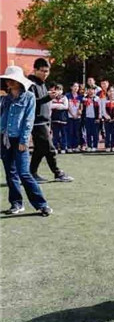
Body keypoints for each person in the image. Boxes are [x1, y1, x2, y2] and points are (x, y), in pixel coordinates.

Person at [0, 65, 52, 216]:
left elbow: (28, 120)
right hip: (4, 139)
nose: (9, 82)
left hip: (19, 139)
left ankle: (42, 205)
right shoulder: (5, 99)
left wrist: (24, 140)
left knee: (24, 173)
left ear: (20, 81)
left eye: (12, 79)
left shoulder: (28, 97)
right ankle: (16, 204)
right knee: (10, 174)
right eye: (8, 79)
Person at [28, 58, 73, 183]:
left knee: (40, 149)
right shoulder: (31, 84)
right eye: (43, 71)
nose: (45, 74)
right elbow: (32, 103)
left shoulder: (41, 84)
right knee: (50, 148)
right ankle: (58, 173)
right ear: (35, 70)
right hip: (37, 122)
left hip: (44, 121)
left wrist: (48, 96)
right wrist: (48, 97)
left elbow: (41, 100)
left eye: (47, 71)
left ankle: (32, 173)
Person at [49, 84, 68, 154]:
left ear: (62, 91)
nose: (59, 91)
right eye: (57, 90)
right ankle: (55, 147)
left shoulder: (64, 98)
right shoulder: (52, 98)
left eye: (60, 90)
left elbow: (66, 106)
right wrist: (60, 105)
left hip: (63, 119)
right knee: (55, 134)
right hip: (55, 118)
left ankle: (63, 147)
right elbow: (50, 106)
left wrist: (56, 106)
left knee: (63, 134)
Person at [101, 86, 114, 152]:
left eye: (112, 91)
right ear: (107, 92)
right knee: (107, 133)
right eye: (110, 91)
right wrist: (108, 117)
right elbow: (103, 110)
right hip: (107, 120)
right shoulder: (104, 100)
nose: (111, 93)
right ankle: (107, 146)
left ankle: (113, 146)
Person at [82, 85, 101, 152]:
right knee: (88, 133)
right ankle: (89, 146)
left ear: (94, 91)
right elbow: (82, 109)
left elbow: (99, 109)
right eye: (89, 90)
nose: (90, 91)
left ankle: (95, 146)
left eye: (92, 90)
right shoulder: (84, 98)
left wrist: (98, 118)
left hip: (95, 118)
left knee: (95, 133)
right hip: (87, 118)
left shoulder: (97, 99)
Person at [66, 82, 83, 152]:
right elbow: (67, 106)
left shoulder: (80, 96)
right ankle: (69, 146)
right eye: (74, 86)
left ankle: (76, 146)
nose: (76, 88)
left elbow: (81, 106)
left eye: (77, 87)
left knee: (77, 132)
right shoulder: (67, 96)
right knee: (70, 131)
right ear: (71, 87)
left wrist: (79, 112)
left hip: (77, 117)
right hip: (70, 116)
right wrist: (72, 114)